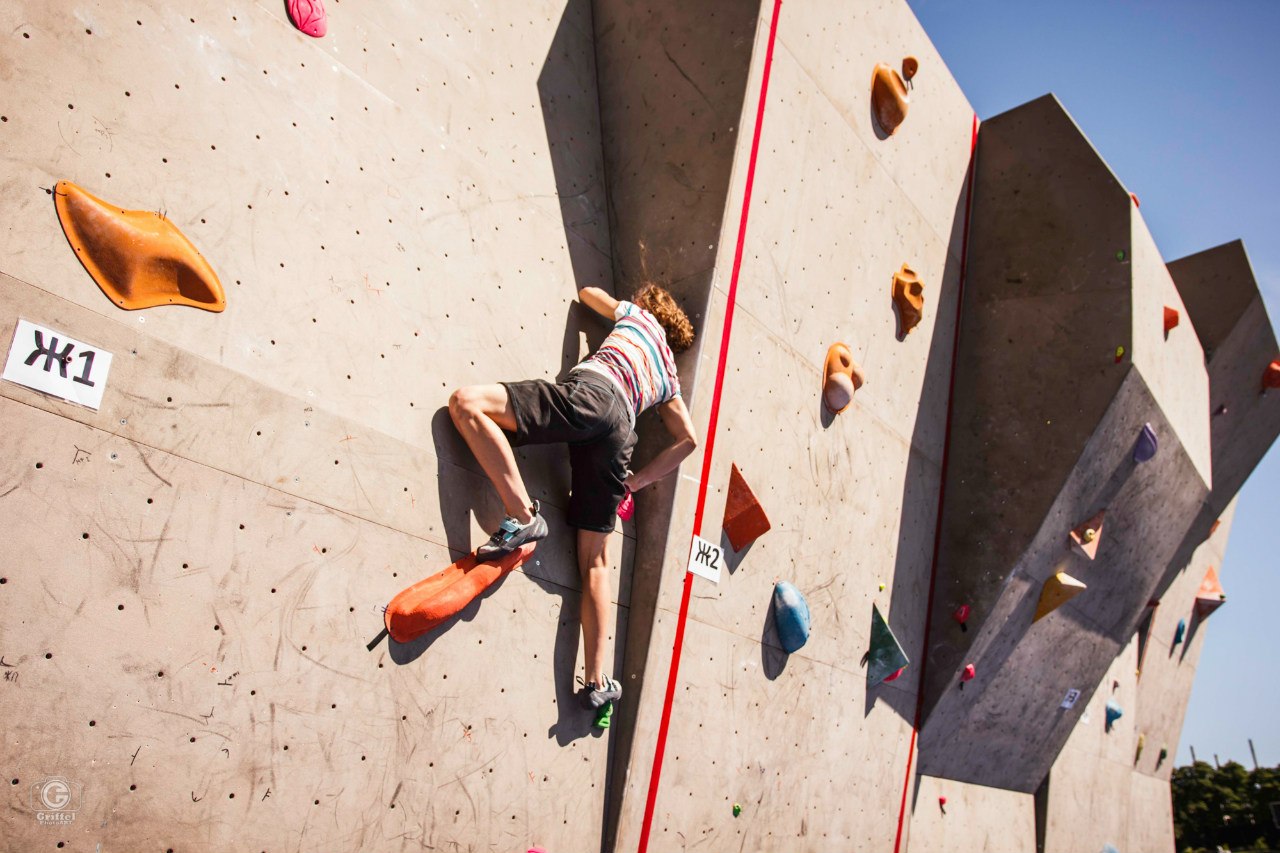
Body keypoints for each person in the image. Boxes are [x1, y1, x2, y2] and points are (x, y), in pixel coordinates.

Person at [448, 283, 697, 711]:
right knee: (596, 564)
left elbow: (587, 294)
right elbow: (688, 440)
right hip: (622, 433)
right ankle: (599, 680)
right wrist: (633, 484)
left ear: (649, 307)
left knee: (466, 403)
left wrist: (607, 322)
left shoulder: (638, 317)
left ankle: (522, 515)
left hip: (594, 393)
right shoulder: (669, 377)